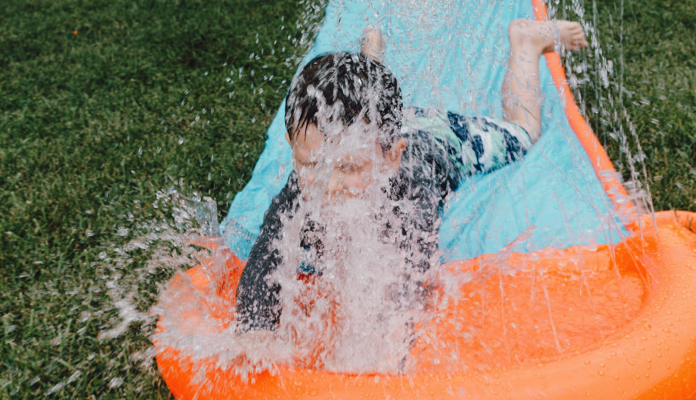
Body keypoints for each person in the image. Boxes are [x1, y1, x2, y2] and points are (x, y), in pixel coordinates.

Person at [234, 20, 589, 334]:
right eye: (310, 164)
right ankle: (368, 61)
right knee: (363, 119)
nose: (327, 186)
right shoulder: (311, 180)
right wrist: (255, 331)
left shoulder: (408, 195)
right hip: (373, 134)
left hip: (436, 139)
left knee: (523, 135)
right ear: (292, 148)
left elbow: (409, 285)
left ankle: (526, 41)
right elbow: (266, 258)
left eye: (348, 169)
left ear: (391, 160)